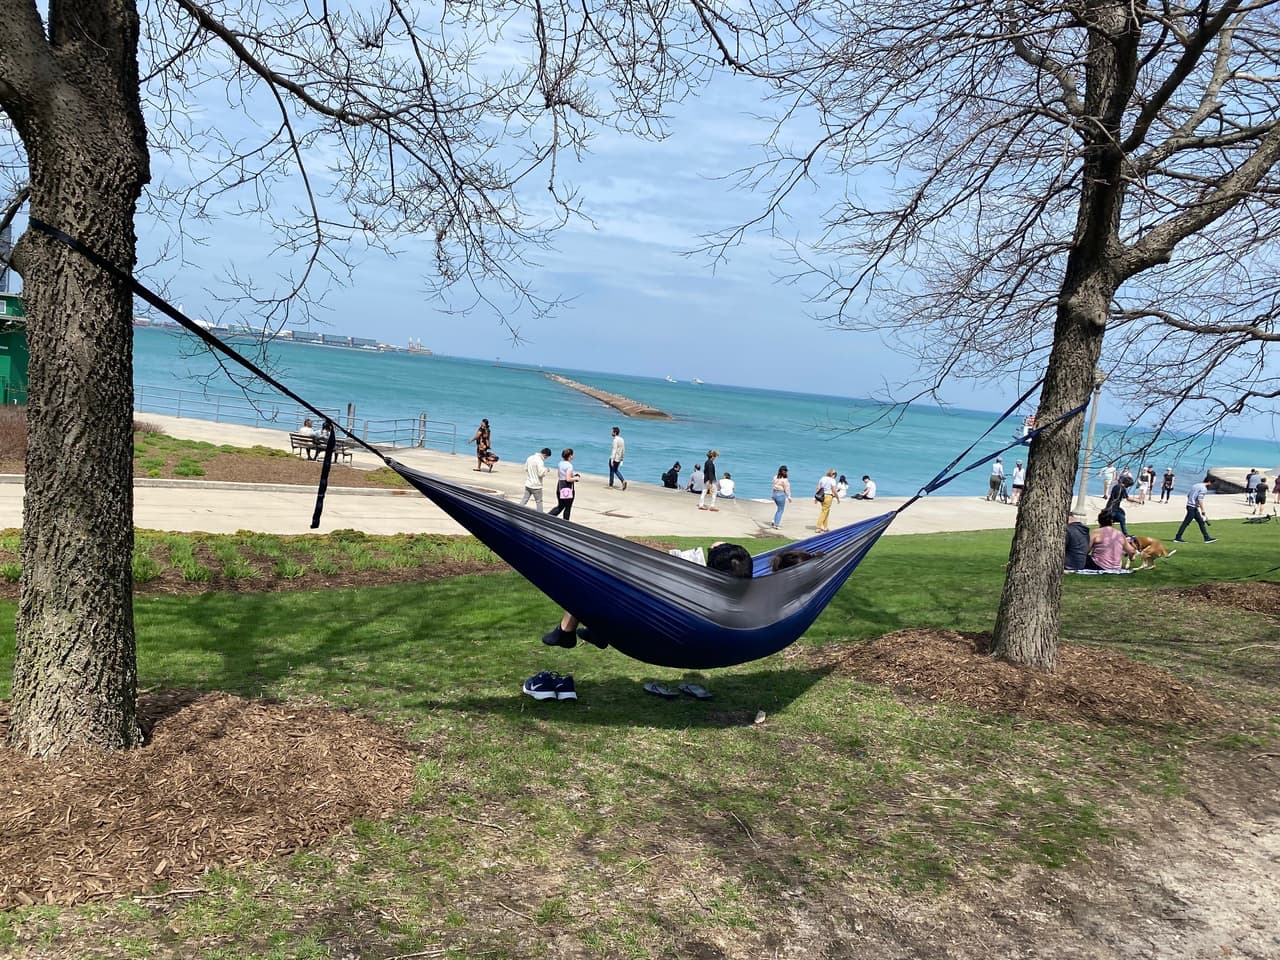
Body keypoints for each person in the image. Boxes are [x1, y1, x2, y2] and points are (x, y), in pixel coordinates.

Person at [542, 542, 754, 649]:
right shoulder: (733, 591)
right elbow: (721, 551)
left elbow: (715, 545)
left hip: (646, 623)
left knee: (588, 578)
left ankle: (566, 630)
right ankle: (596, 632)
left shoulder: (695, 587)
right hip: (659, 621)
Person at [1174, 476, 1218, 543]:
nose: (1211, 486)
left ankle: (1207, 538)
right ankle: (1177, 537)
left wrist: (1191, 502)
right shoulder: (1203, 489)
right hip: (1192, 507)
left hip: (1191, 506)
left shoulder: (1196, 485)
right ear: (1209, 482)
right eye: (1212, 484)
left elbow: (1188, 495)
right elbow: (1200, 500)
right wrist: (1203, 510)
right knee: (1186, 523)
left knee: (1201, 522)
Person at [547, 448, 581, 521]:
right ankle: (565, 522)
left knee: (560, 506)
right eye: (572, 454)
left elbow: (560, 475)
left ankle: (548, 517)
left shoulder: (560, 463)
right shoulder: (569, 466)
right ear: (570, 456)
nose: (573, 456)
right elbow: (568, 479)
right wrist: (576, 478)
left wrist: (573, 476)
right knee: (567, 507)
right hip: (567, 487)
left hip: (560, 486)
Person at [815, 469, 839, 533]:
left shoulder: (822, 478)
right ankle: (818, 527)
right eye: (835, 475)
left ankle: (825, 527)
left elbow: (818, 487)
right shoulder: (832, 480)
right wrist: (837, 498)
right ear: (832, 474)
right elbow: (834, 490)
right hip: (828, 496)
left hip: (821, 496)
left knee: (826, 511)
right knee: (824, 511)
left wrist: (816, 498)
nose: (835, 476)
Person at [608, 426, 627, 490]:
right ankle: (623, 481)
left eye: (612, 431)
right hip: (619, 459)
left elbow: (614, 450)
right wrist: (622, 459)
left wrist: (612, 459)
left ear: (615, 433)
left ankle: (611, 485)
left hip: (614, 458)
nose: (611, 432)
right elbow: (623, 450)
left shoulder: (615, 440)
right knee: (615, 470)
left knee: (612, 471)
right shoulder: (622, 439)